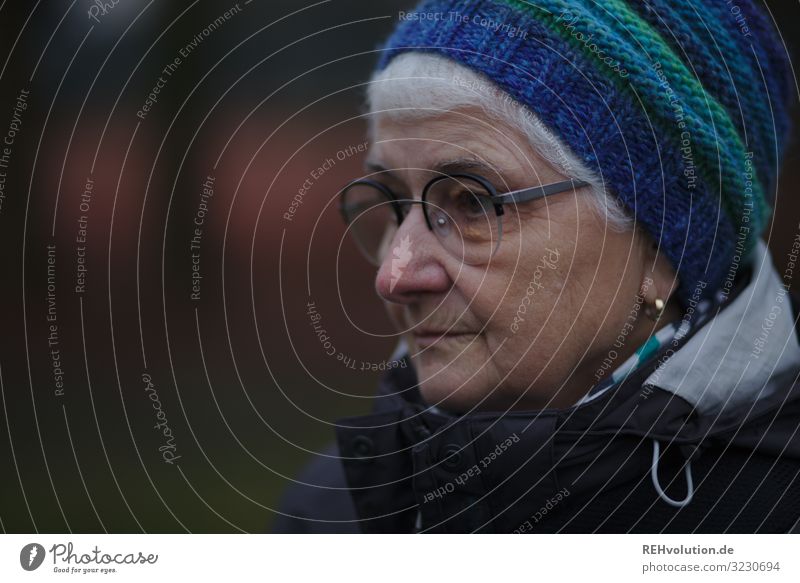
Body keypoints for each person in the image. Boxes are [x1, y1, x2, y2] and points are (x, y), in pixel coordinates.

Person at [274, 0, 800, 533]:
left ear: (661, 250)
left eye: (474, 203)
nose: (395, 277)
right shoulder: (335, 513)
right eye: (393, 202)